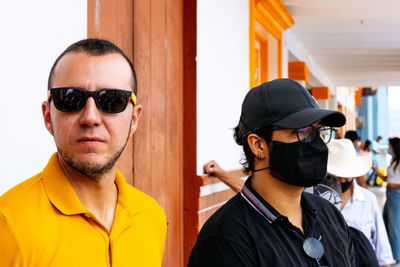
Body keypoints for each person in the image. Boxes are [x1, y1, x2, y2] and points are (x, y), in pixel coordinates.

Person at [0, 39, 167, 266]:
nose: (90, 117)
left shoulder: (152, 217)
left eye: (111, 101)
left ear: (134, 118)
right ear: (48, 116)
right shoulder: (8, 225)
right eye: (71, 98)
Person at [188, 78, 355, 266]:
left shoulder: (330, 216)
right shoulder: (225, 240)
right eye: (303, 131)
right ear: (258, 145)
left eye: (319, 132)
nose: (317, 144)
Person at [327, 139, 394, 267]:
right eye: (336, 175)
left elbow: (382, 250)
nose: (341, 179)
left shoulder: (368, 200)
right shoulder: (314, 201)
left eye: (345, 175)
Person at [374, 137, 400, 262]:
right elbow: (387, 178)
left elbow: (393, 182)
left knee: (394, 226)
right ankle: (390, 253)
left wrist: (392, 185)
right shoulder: (394, 161)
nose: (389, 147)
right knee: (385, 223)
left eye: (390, 145)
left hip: (396, 195)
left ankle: (396, 256)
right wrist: (376, 171)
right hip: (390, 195)